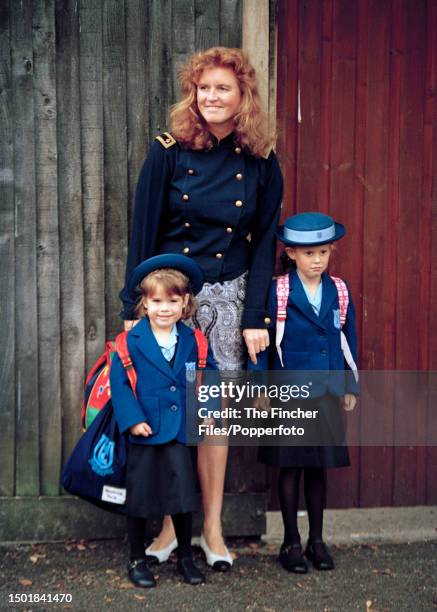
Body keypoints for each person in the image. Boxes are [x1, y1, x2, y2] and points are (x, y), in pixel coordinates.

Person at [119, 46, 284, 569]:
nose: (212, 97)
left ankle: (211, 528)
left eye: (223, 89)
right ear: (194, 93)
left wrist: (256, 316)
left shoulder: (260, 158)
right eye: (204, 88)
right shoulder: (167, 151)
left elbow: (264, 245)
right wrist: (133, 306)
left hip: (230, 297)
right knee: (172, 412)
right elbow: (142, 232)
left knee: (213, 420)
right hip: (173, 299)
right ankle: (170, 524)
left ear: (243, 98)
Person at [251, 212, 359, 573]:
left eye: (324, 253)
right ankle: (291, 542)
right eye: (309, 253)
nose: (317, 261)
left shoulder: (338, 291)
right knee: (291, 467)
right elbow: (263, 345)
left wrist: (349, 384)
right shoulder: (278, 292)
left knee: (318, 469)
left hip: (326, 393)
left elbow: (347, 341)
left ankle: (317, 540)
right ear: (292, 253)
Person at [110, 254, 218, 587]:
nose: (164, 308)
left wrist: (210, 409)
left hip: (180, 429)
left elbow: (209, 374)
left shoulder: (193, 341)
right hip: (145, 430)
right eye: (156, 301)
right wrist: (132, 420)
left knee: (183, 497)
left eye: (172, 301)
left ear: (185, 302)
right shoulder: (130, 341)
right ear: (144, 303)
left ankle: (185, 556)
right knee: (140, 498)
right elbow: (120, 384)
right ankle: (137, 559)